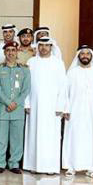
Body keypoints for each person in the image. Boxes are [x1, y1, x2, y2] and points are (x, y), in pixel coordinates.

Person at [62, 45, 93, 178]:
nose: (84, 56)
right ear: (78, 56)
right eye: (82, 54)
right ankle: (71, 167)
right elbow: (65, 93)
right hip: (74, 112)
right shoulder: (71, 73)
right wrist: (65, 108)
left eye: (87, 54)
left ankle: (92, 167)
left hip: (92, 114)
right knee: (73, 138)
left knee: (92, 139)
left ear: (91, 56)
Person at [24, 37, 67, 174]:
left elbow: (63, 86)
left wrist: (61, 106)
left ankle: (50, 167)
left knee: (51, 137)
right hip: (34, 106)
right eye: (41, 45)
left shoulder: (58, 63)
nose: (43, 48)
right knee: (34, 134)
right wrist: (27, 103)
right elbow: (26, 85)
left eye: (47, 45)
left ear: (51, 47)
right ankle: (34, 166)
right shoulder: (31, 62)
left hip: (52, 108)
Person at [0, 41, 30, 174]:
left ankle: (14, 164)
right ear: (4, 52)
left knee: (16, 139)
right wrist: (8, 102)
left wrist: (15, 103)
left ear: (17, 52)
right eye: (8, 50)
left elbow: (26, 90)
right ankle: (0, 163)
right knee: (0, 138)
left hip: (17, 110)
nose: (10, 53)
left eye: (13, 50)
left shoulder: (24, 69)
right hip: (2, 109)